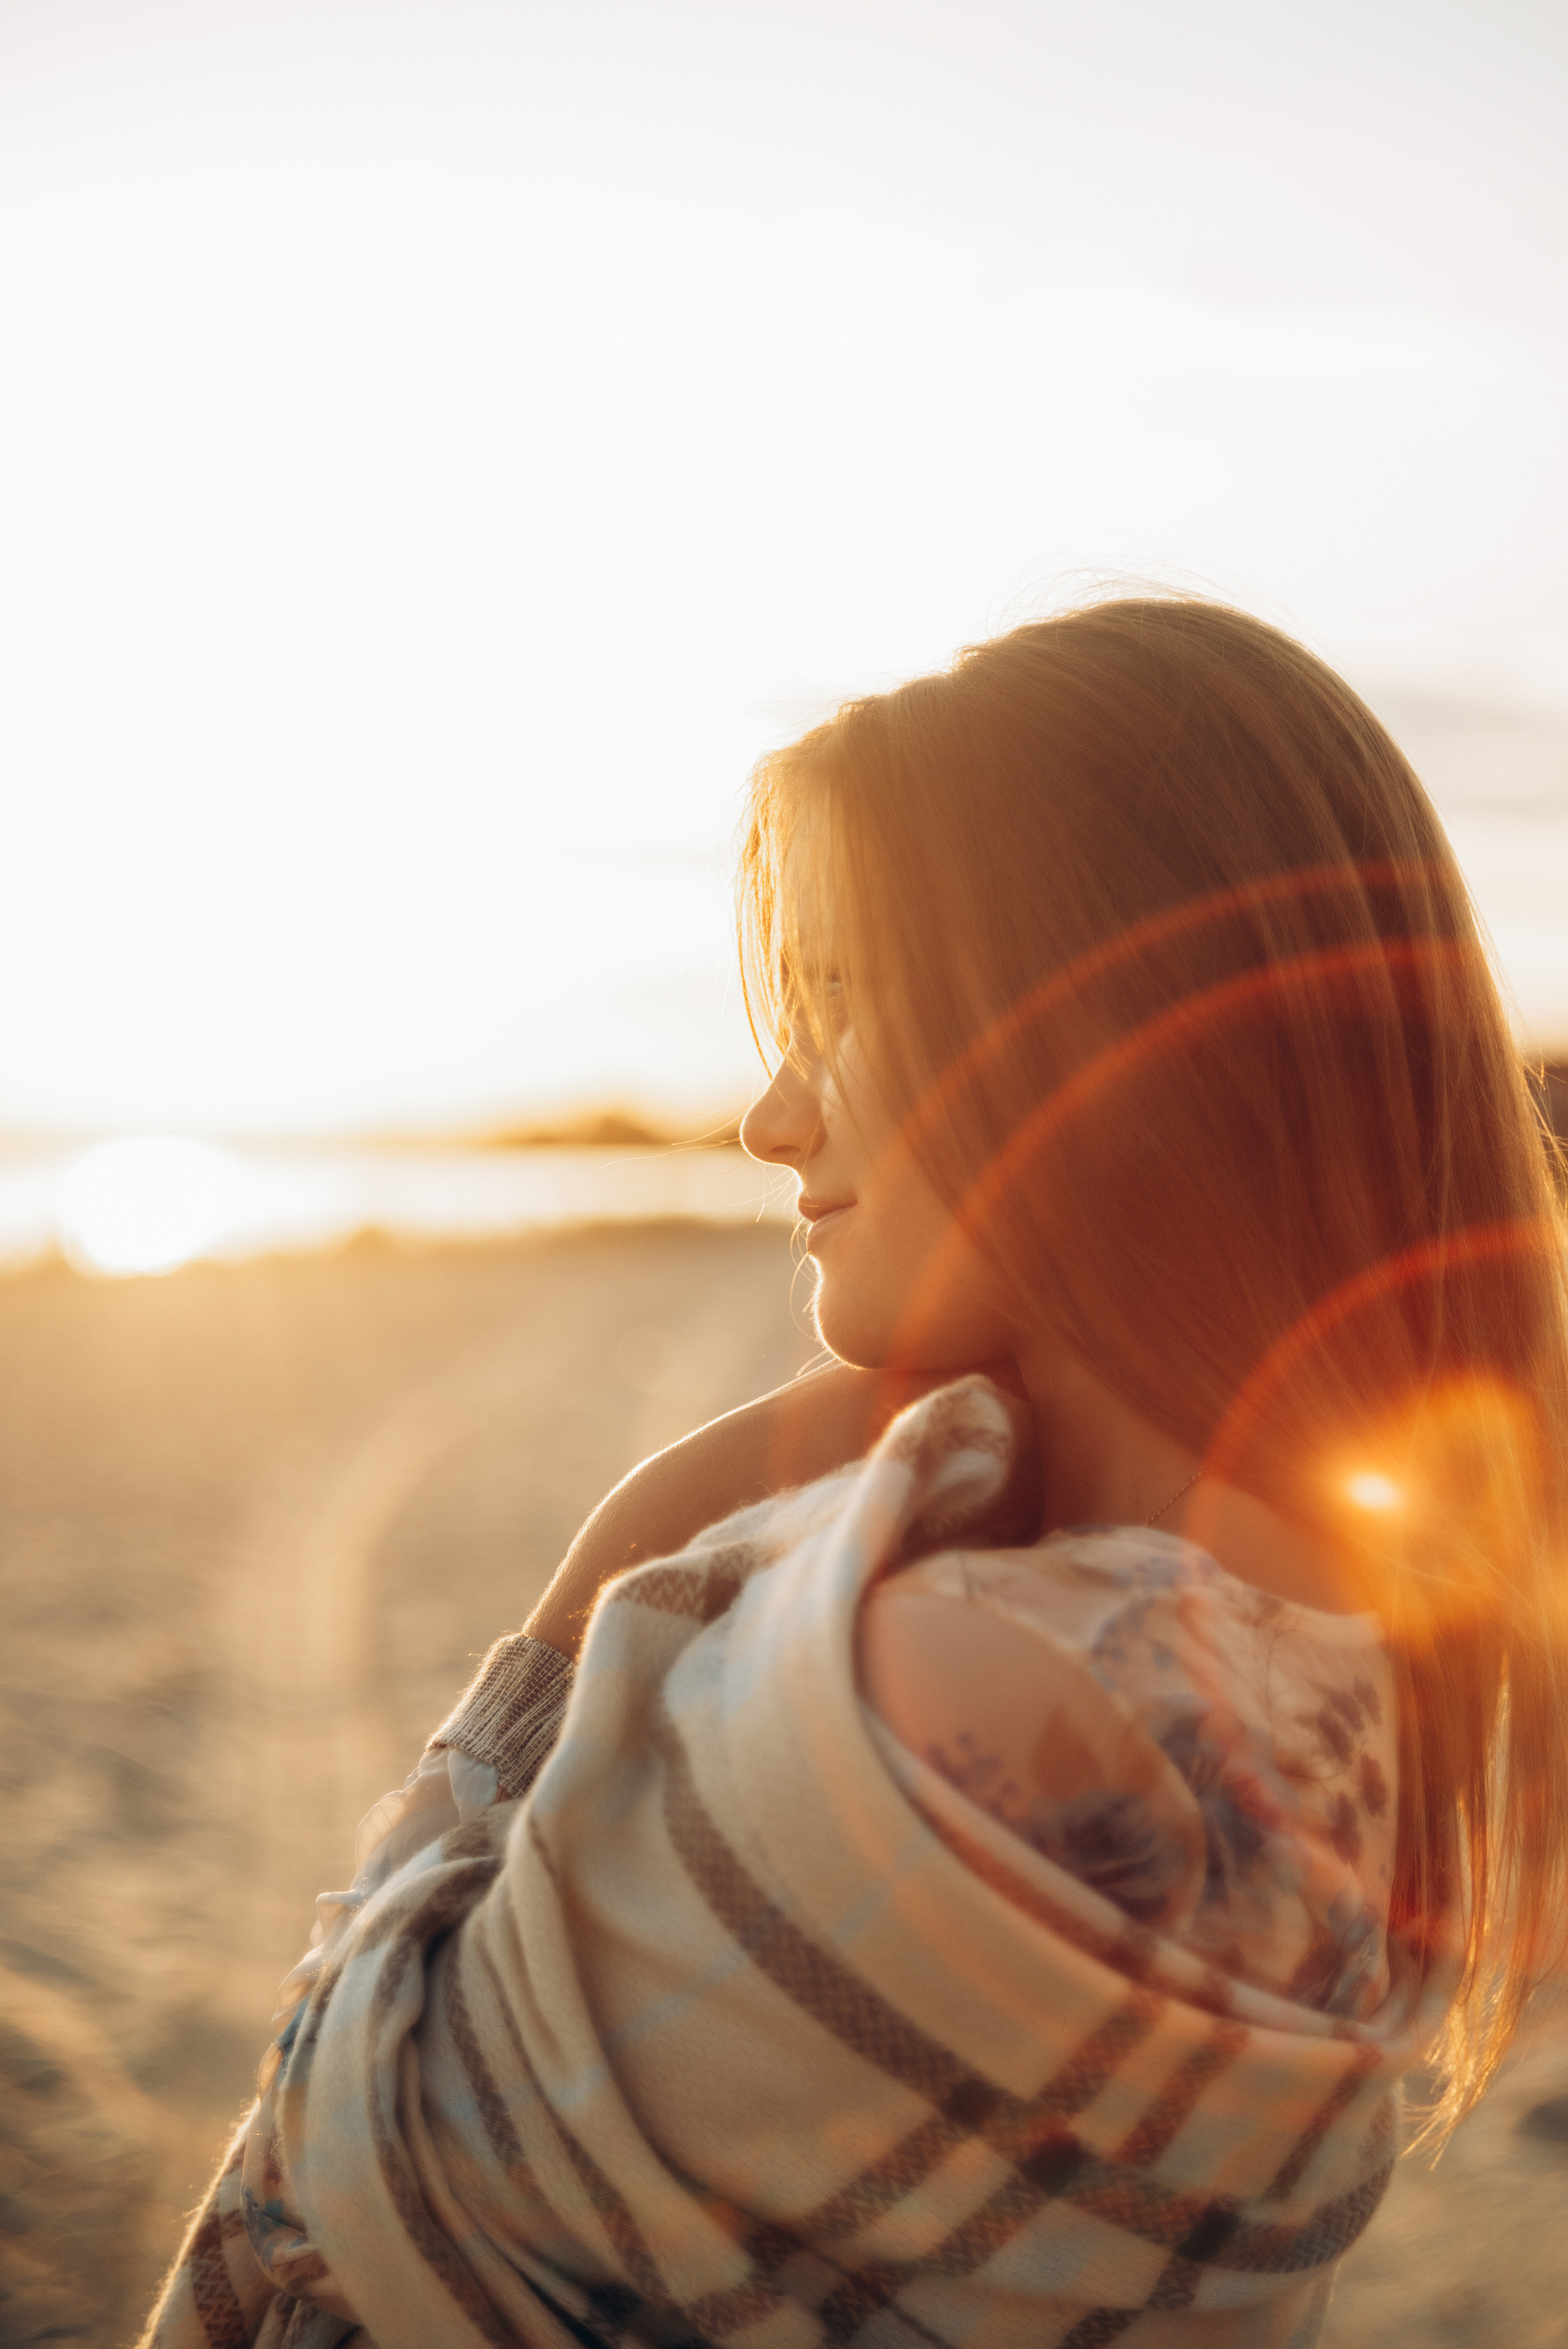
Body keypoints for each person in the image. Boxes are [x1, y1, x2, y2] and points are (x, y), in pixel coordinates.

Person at [145, 597, 1568, 2349]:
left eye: (834, 1001)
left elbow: (341, 2182)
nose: (771, 1116)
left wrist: (632, 1539)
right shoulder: (1373, 1683)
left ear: (1107, 1043)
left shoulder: (980, 1682)